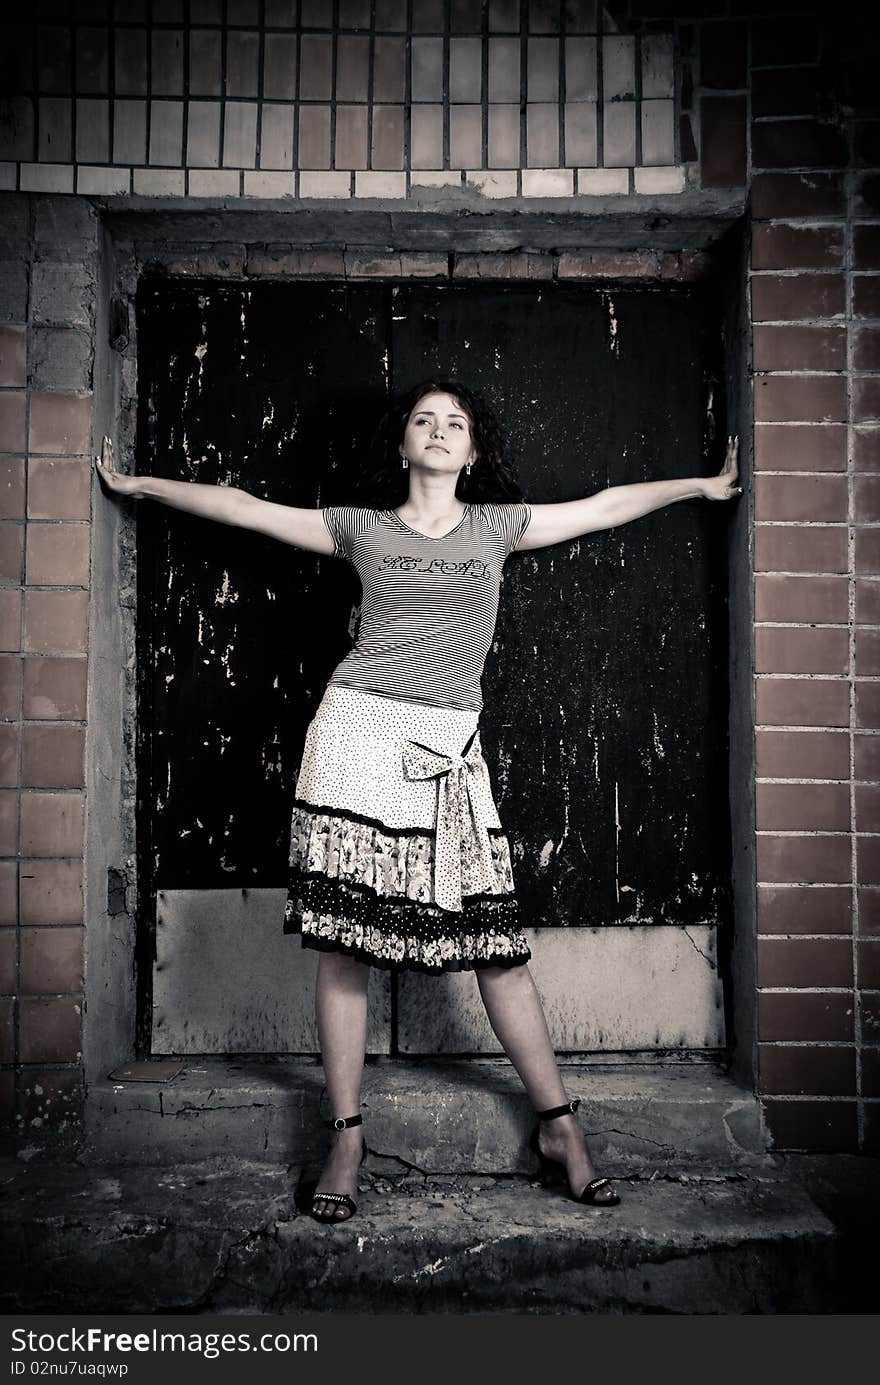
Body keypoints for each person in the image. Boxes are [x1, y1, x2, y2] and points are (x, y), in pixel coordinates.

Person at [96, 379, 741, 1224]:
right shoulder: (359, 527)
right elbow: (244, 507)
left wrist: (700, 486)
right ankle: (347, 1137)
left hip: (447, 749)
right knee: (343, 943)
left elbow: (605, 504)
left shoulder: (497, 528)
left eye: (456, 423)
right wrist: (140, 485)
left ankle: (560, 1128)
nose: (438, 431)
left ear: (472, 452)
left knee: (496, 947)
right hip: (356, 736)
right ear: (403, 445)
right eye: (423, 420)